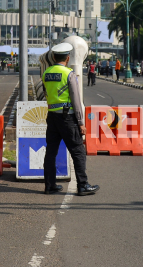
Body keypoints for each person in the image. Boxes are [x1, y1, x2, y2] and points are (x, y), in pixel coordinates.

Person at [43, 42, 99, 197]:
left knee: (51, 152)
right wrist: (81, 122)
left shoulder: (46, 73)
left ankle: (50, 185)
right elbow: (76, 99)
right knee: (78, 151)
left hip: (52, 116)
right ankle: (82, 185)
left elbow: (46, 94)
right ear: (67, 58)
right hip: (67, 117)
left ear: (53, 57)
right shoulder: (69, 74)